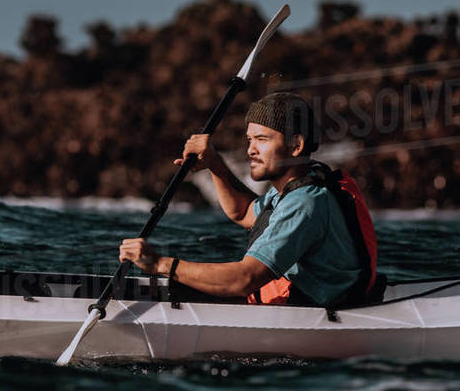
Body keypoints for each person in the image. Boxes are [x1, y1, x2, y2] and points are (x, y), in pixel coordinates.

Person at [119, 92, 380, 307]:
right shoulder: (295, 186)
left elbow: (244, 279)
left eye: (262, 140)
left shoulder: (304, 203)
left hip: (320, 314)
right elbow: (243, 212)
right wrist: (215, 165)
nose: (250, 149)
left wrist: (159, 264)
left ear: (295, 146)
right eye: (249, 139)